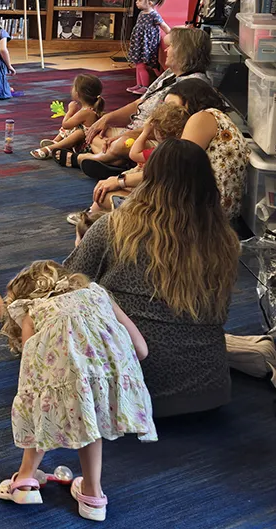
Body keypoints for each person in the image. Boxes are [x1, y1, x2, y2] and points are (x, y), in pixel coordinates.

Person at [65, 139, 239, 418]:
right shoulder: (225, 240)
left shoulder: (116, 227)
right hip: (211, 390)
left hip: (133, 391)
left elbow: (68, 286)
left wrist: (78, 245)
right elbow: (220, 313)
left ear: (150, 178)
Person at [0, 261, 154, 522]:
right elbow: (141, 350)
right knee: (89, 421)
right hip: (106, 380)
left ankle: (25, 480)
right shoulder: (99, 294)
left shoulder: (34, 311)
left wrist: (5, 315)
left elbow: (32, 360)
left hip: (58, 381)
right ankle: (92, 495)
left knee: (41, 412)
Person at [93, 79, 249, 219]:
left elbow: (172, 170)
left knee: (107, 195)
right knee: (114, 191)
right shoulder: (213, 118)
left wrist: (120, 181)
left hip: (205, 210)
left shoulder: (202, 117)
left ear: (189, 103)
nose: (168, 113)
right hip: (209, 203)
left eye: (172, 107)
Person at [79, 26, 211, 176]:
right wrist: (106, 118)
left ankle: (89, 158)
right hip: (136, 129)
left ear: (184, 51)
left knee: (118, 144)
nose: (166, 51)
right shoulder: (170, 74)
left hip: (153, 136)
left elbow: (168, 129)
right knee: (94, 128)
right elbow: (138, 104)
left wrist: (129, 135)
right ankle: (116, 161)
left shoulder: (191, 86)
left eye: (170, 46)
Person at [87, 102, 189, 214]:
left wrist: (145, 132)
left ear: (157, 132)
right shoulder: (179, 152)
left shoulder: (158, 152)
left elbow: (134, 154)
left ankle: (92, 213)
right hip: (158, 190)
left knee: (105, 190)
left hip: (145, 186)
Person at [31, 74, 104, 161]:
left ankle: (52, 148)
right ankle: (56, 141)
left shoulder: (85, 112)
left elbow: (66, 124)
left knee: (79, 132)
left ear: (77, 94)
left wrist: (70, 111)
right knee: (75, 126)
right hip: (83, 142)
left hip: (85, 146)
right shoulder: (90, 109)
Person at [126, 0, 171, 94]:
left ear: (150, 3)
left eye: (140, 0)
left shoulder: (154, 15)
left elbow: (164, 26)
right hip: (139, 43)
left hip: (146, 44)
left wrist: (172, 35)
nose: (137, 2)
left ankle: (145, 87)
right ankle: (139, 84)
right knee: (138, 64)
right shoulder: (142, 13)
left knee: (141, 65)